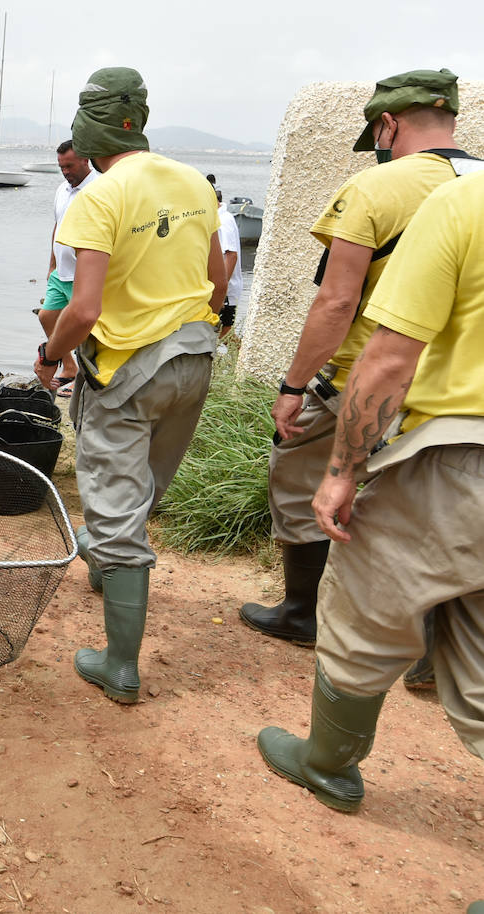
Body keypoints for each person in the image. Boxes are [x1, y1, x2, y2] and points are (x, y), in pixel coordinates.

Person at [256, 167, 484, 814]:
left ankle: (327, 765)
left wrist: (341, 471)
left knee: (363, 604)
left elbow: (389, 357)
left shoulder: (464, 203)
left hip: (461, 458)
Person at [239, 70, 466, 680]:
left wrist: (292, 386)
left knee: (295, 471)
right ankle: (425, 654)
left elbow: (337, 304)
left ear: (388, 123)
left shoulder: (373, 188)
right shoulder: (475, 185)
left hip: (366, 378)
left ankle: (302, 612)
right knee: (428, 518)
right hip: (452, 392)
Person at [35, 67, 227, 704]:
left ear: (87, 132)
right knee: (143, 487)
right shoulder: (194, 181)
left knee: (115, 509)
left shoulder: (99, 195)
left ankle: (119, 666)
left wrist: (50, 353)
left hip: (131, 368)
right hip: (195, 358)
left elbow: (84, 311)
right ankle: (111, 560)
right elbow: (215, 279)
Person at [37, 140, 96, 395]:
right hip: (61, 271)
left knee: (84, 330)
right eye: (61, 166)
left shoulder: (99, 188)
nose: (65, 171)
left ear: (85, 160)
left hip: (83, 275)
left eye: (69, 166)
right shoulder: (62, 189)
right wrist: (51, 264)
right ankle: (69, 366)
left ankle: (85, 379)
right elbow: (57, 226)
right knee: (46, 316)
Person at [207, 174, 241, 339]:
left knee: (225, 336)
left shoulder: (223, 221)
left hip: (226, 292)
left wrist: (222, 290)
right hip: (224, 290)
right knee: (224, 336)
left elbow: (231, 255)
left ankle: (243, 362)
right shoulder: (220, 218)